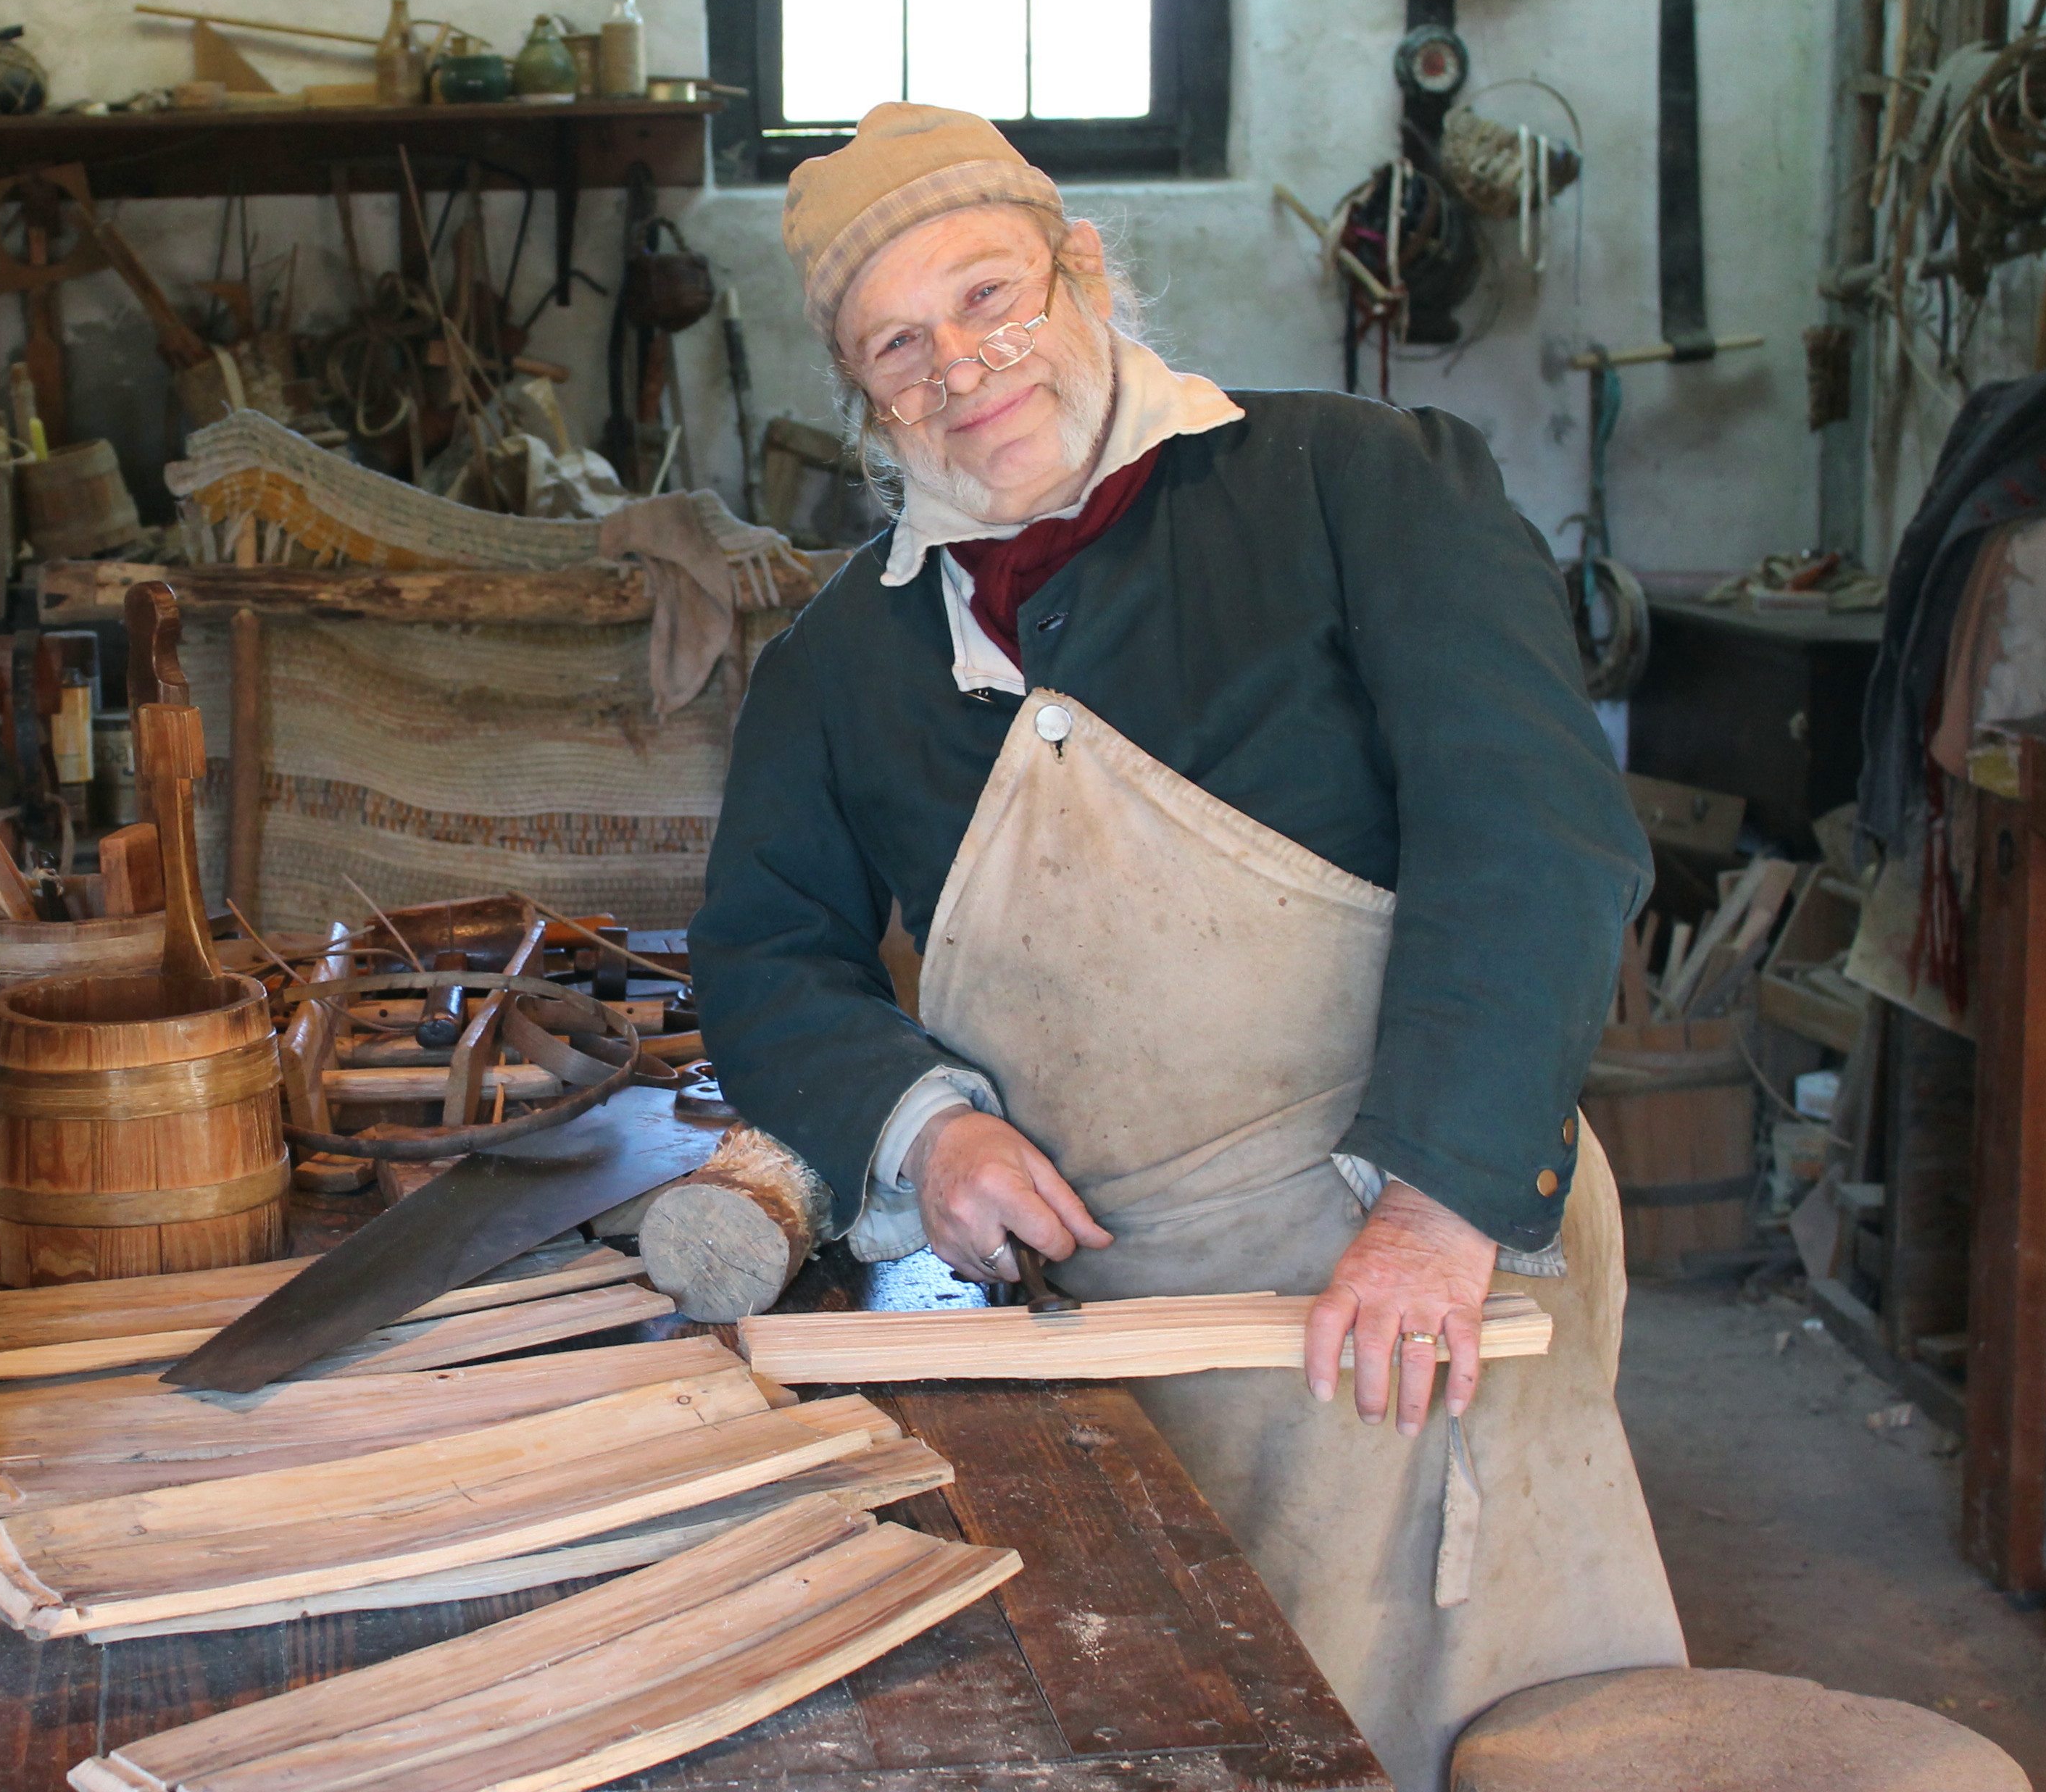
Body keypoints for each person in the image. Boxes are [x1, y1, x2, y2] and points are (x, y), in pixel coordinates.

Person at [691, 104, 1685, 1791]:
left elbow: (1532, 829)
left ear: (1081, 269)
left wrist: (1440, 1209)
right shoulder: (841, 663)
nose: (962, 367)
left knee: (1452, 1732)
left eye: (990, 295)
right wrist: (922, 1133)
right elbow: (766, 954)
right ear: (863, 392)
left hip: (1407, 1274)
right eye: (897, 344)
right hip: (1106, 1308)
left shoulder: (1358, 486)